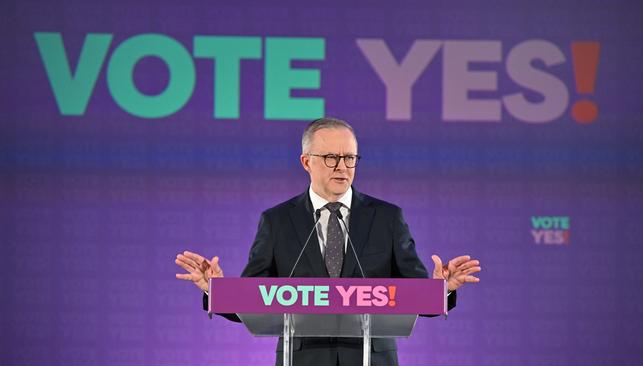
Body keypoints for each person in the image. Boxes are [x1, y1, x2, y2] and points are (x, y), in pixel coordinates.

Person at [175, 117, 481, 366]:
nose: (342, 167)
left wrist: (441, 290)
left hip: (371, 359)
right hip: (303, 359)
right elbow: (254, 300)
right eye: (331, 157)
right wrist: (215, 291)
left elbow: (416, 297)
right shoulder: (277, 221)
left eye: (349, 157)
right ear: (306, 161)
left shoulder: (387, 218)